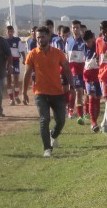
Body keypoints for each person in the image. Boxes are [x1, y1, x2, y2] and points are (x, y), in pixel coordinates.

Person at [21, 26, 72, 157]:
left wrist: (73, 86)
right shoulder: (32, 54)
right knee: (44, 119)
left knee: (61, 120)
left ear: (48, 37)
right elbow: (27, 74)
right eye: (38, 37)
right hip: (40, 93)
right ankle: (47, 149)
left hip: (57, 92)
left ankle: (53, 135)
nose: (40, 39)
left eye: (42, 36)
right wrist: (24, 92)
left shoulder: (58, 53)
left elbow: (67, 69)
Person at [65, 21, 88, 124]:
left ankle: (85, 112)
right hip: (73, 71)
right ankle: (79, 115)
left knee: (85, 92)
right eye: (73, 27)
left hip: (84, 70)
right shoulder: (68, 41)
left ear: (80, 28)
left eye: (77, 27)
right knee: (76, 91)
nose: (75, 29)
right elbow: (66, 56)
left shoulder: (84, 41)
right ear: (71, 29)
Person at [81, 30, 102, 133]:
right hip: (89, 76)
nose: (88, 44)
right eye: (86, 42)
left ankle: (95, 121)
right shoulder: (83, 47)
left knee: (98, 98)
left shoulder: (98, 44)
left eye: (89, 41)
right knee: (92, 96)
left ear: (93, 38)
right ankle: (93, 123)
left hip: (99, 74)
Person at [4, 25, 24, 106]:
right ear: (6, 32)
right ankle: (11, 99)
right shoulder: (3, 41)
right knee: (8, 80)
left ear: (13, 32)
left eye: (11, 31)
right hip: (7, 62)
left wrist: (24, 58)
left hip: (15, 61)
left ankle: (16, 96)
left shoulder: (17, 40)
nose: (10, 33)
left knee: (16, 79)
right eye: (8, 31)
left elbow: (22, 50)